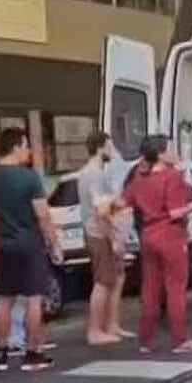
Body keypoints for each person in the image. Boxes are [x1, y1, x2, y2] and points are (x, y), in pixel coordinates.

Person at [114, 135, 192, 354]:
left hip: (148, 235)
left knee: (150, 289)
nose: (174, 151)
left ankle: (145, 340)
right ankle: (180, 339)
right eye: (171, 148)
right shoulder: (172, 177)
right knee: (175, 288)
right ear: (162, 154)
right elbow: (174, 212)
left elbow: (119, 203)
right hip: (170, 235)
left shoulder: (139, 181)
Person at [0, 127, 61, 371]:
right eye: (26, 145)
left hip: (3, 243)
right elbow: (43, 215)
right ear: (16, 147)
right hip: (29, 244)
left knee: (5, 299)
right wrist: (54, 243)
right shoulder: (29, 178)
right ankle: (33, 353)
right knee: (33, 299)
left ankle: (0, 352)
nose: (28, 150)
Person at [77, 130, 133, 345]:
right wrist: (114, 237)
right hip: (100, 234)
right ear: (100, 147)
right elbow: (101, 211)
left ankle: (111, 325)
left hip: (99, 231)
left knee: (115, 278)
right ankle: (95, 331)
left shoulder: (91, 173)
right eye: (109, 146)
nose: (112, 150)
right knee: (102, 282)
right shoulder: (95, 174)